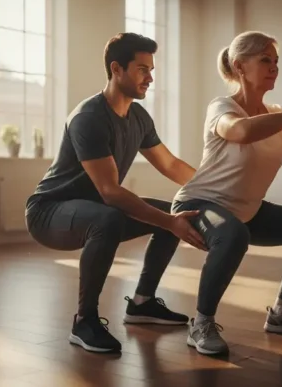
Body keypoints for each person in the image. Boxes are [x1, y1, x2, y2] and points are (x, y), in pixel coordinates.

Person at [25, 33, 206, 354]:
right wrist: (168, 221)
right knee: (127, 218)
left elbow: (170, 164)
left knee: (171, 213)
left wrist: (213, 186)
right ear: (116, 69)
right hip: (49, 212)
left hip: (94, 208)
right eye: (142, 69)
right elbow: (110, 192)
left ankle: (142, 303)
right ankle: (84, 321)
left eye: (151, 69)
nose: (150, 77)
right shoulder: (89, 118)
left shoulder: (138, 117)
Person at [171, 31, 282, 356]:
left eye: (276, 61)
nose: (274, 67)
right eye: (265, 60)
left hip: (246, 211)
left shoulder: (276, 112)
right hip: (199, 205)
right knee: (234, 235)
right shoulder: (222, 106)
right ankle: (202, 323)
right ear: (239, 66)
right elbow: (243, 132)